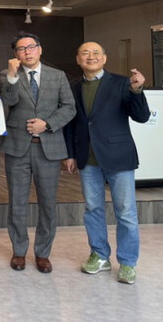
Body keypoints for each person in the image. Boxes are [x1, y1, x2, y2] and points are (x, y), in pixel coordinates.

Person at [64, 42, 149, 285]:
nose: (90, 57)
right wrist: (70, 154)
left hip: (118, 156)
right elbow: (71, 124)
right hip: (87, 158)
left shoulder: (123, 83)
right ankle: (100, 255)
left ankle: (128, 262)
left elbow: (142, 116)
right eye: (85, 53)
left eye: (95, 53)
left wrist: (137, 90)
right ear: (78, 59)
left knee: (126, 212)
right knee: (93, 209)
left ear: (104, 58)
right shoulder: (73, 86)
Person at [0, 31, 76, 273]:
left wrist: (47, 124)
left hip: (48, 148)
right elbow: (8, 101)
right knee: (17, 202)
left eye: (31, 47)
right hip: (17, 148)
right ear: (16, 54)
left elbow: (69, 107)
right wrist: (12, 75)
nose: (27, 52)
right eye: (21, 49)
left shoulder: (57, 76)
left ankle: (43, 253)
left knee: (48, 204)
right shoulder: (6, 75)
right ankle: (19, 251)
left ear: (40, 49)